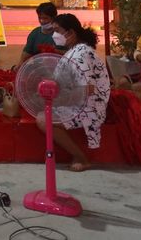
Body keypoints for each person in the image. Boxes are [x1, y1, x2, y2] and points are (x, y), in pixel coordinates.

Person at [40, 13, 111, 172]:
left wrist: (61, 99)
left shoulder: (81, 54)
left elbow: (87, 90)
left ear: (71, 32)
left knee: (44, 120)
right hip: (78, 102)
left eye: (57, 31)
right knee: (42, 111)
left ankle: (81, 158)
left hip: (88, 107)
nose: (54, 35)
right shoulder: (74, 50)